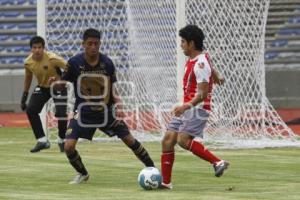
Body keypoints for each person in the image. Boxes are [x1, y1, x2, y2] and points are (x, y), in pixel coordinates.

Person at [51, 28, 155, 184]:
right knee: (69, 146)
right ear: (83, 44)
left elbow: (113, 89)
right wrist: (55, 84)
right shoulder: (74, 63)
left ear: (100, 44)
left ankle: (152, 168)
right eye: (90, 43)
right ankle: (83, 174)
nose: (93, 47)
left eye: (96, 43)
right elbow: (62, 85)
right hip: (83, 111)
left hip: (106, 111)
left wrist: (119, 105)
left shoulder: (107, 63)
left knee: (129, 140)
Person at [160, 25, 229, 189]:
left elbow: (203, 94)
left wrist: (185, 107)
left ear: (191, 43)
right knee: (168, 141)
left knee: (183, 140)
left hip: (198, 109)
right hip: (188, 107)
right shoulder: (198, 59)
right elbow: (209, 64)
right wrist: (217, 75)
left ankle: (217, 162)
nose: (181, 44)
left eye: (183, 41)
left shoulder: (200, 64)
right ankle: (165, 183)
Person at [21, 36, 68, 153]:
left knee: (62, 113)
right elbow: (28, 77)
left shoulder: (52, 59)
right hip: (42, 87)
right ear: (31, 49)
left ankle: (62, 140)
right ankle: (42, 140)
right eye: (35, 47)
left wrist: (61, 81)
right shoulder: (28, 62)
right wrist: (24, 95)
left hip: (58, 86)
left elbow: (69, 68)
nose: (37, 50)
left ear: (43, 48)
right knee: (31, 110)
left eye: (40, 47)